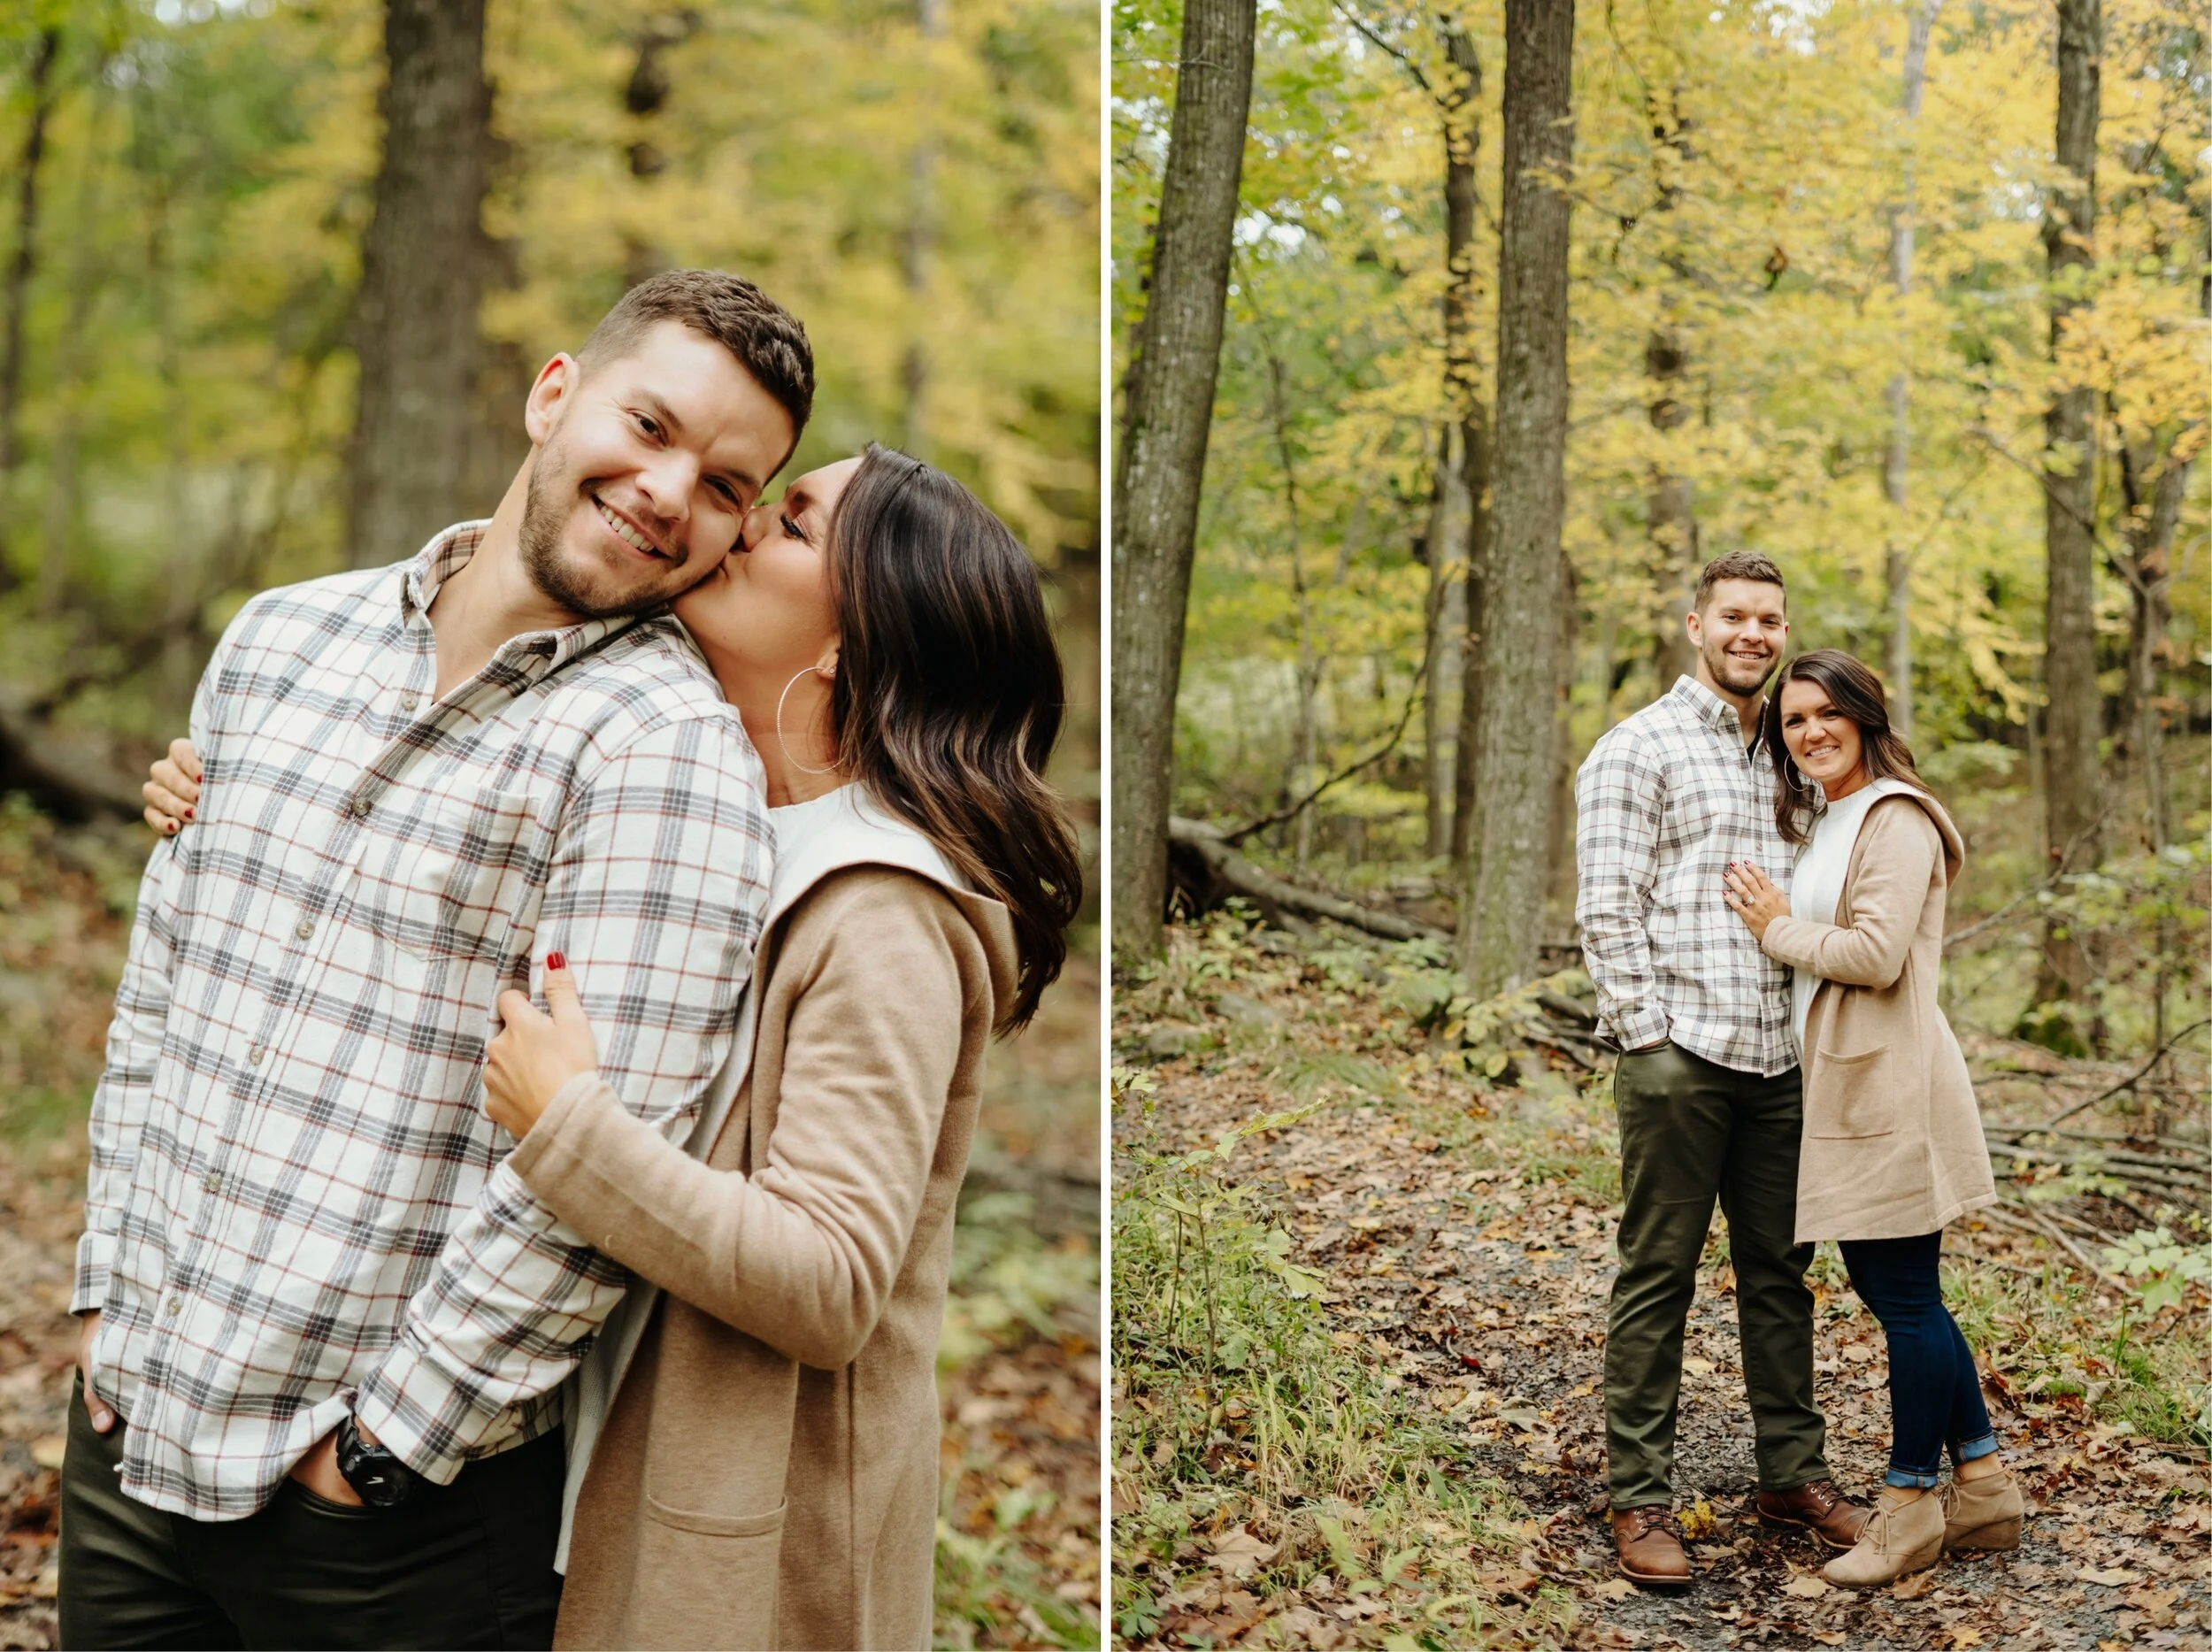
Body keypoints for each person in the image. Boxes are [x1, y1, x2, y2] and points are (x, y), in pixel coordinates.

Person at [142, 446, 1083, 1649]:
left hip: (752, 1533)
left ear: (854, 643)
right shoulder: (711, 806)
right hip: (575, 1474)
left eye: (791, 523)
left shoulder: (882, 912)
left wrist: (570, 1127)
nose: (738, 529)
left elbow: (832, 1276)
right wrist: (225, 788)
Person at [66, 270, 813, 1649]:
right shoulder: (282, 635)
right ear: (553, 393)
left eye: (723, 483)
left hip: (383, 1529)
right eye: (648, 426)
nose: (666, 490)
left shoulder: (661, 748)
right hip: (131, 1433)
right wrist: (109, 1300)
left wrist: (384, 1449)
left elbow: (600, 1154)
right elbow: (161, 994)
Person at [1575, 550, 1870, 1587]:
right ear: (1694, 624)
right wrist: (1643, 1033)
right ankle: (1639, 1497)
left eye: (1770, 620)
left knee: (1780, 1276)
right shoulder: (1635, 747)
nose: (1753, 634)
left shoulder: (1797, 754)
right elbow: (1606, 906)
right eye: (1735, 616)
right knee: (1657, 1271)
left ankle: (1791, 1472)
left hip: (1781, 1060)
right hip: (1679, 1056)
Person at [1720, 649, 2016, 1587]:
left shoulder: (1894, 816)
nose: (1808, 731)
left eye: (1824, 713)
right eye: (1792, 719)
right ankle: (1983, 1487)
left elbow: (1877, 952)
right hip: (1853, 1085)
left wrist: (1773, 927)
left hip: (1893, 1088)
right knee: (1907, 1295)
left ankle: (1905, 1510)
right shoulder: (1835, 814)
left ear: (1863, 714)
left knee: (1902, 1300)